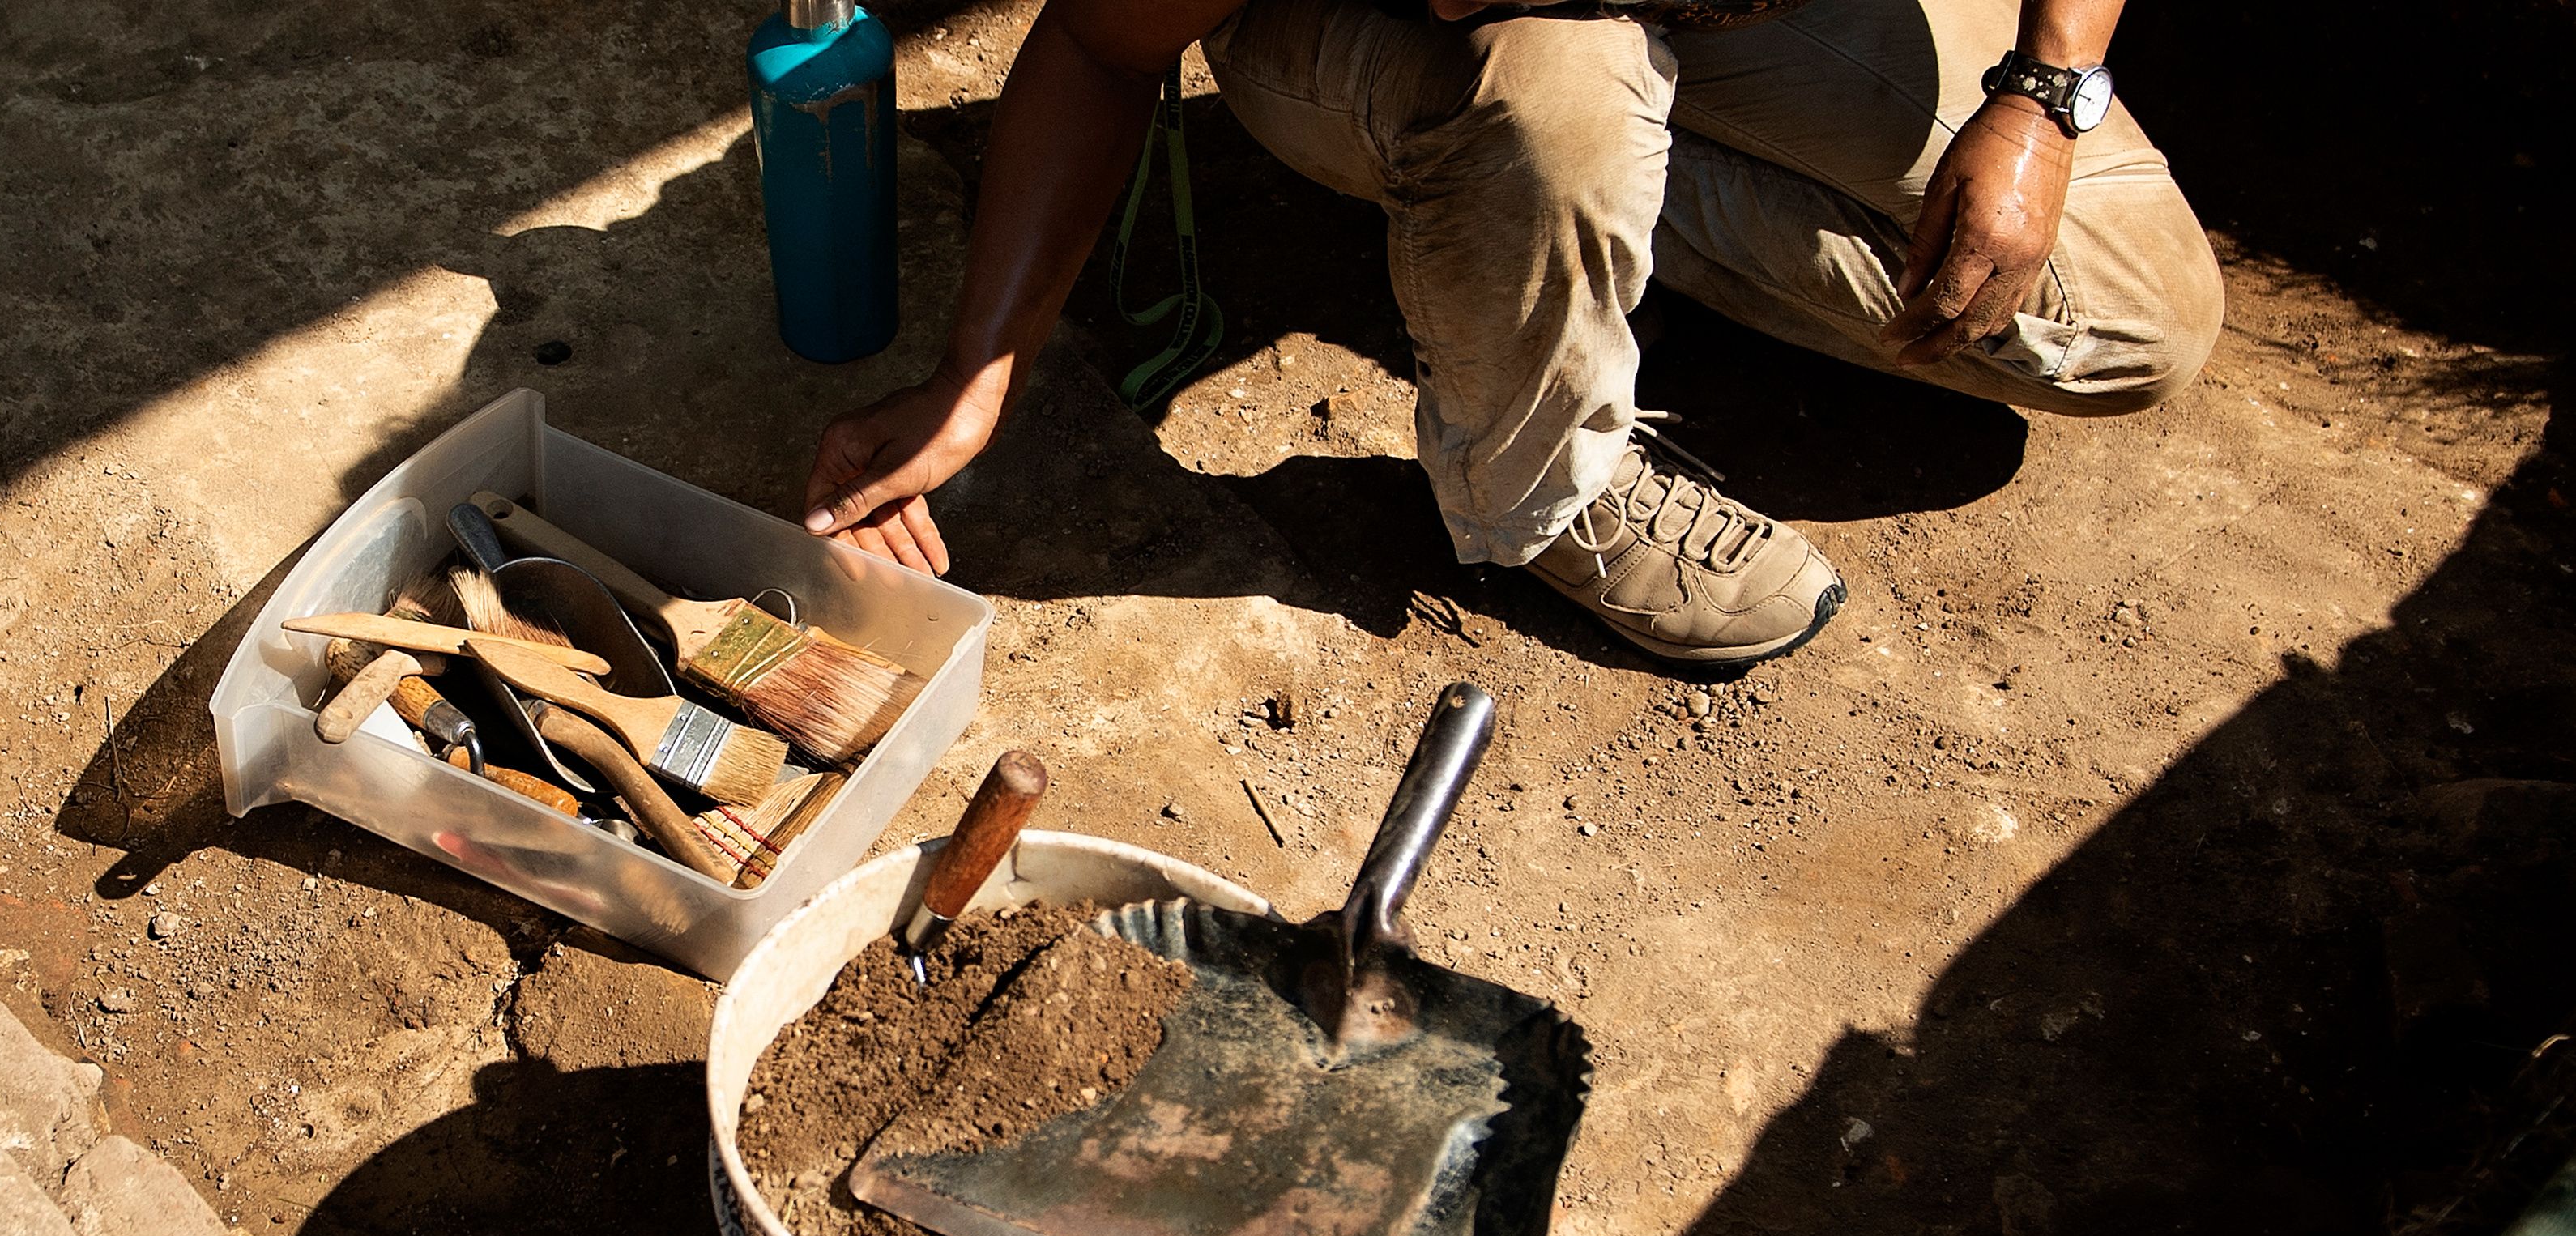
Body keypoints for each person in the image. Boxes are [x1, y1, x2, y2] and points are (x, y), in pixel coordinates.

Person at [802, 0, 2224, 666]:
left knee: (2132, 324)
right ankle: (1543, 492)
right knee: (1552, 101)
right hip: (1347, 45)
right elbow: (1099, 46)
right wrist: (977, 378)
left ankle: (1565, 219)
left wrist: (2046, 91)